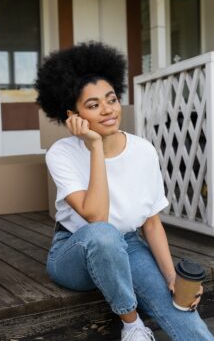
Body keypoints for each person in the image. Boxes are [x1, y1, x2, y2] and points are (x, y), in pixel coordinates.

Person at [35, 42, 214, 341]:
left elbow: (152, 223)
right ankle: (132, 326)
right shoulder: (61, 153)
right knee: (103, 235)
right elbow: (96, 216)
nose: (107, 110)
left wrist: (171, 276)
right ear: (72, 116)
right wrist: (95, 146)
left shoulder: (143, 150)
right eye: (92, 105)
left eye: (111, 99)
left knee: (183, 315)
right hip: (74, 252)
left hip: (128, 247)